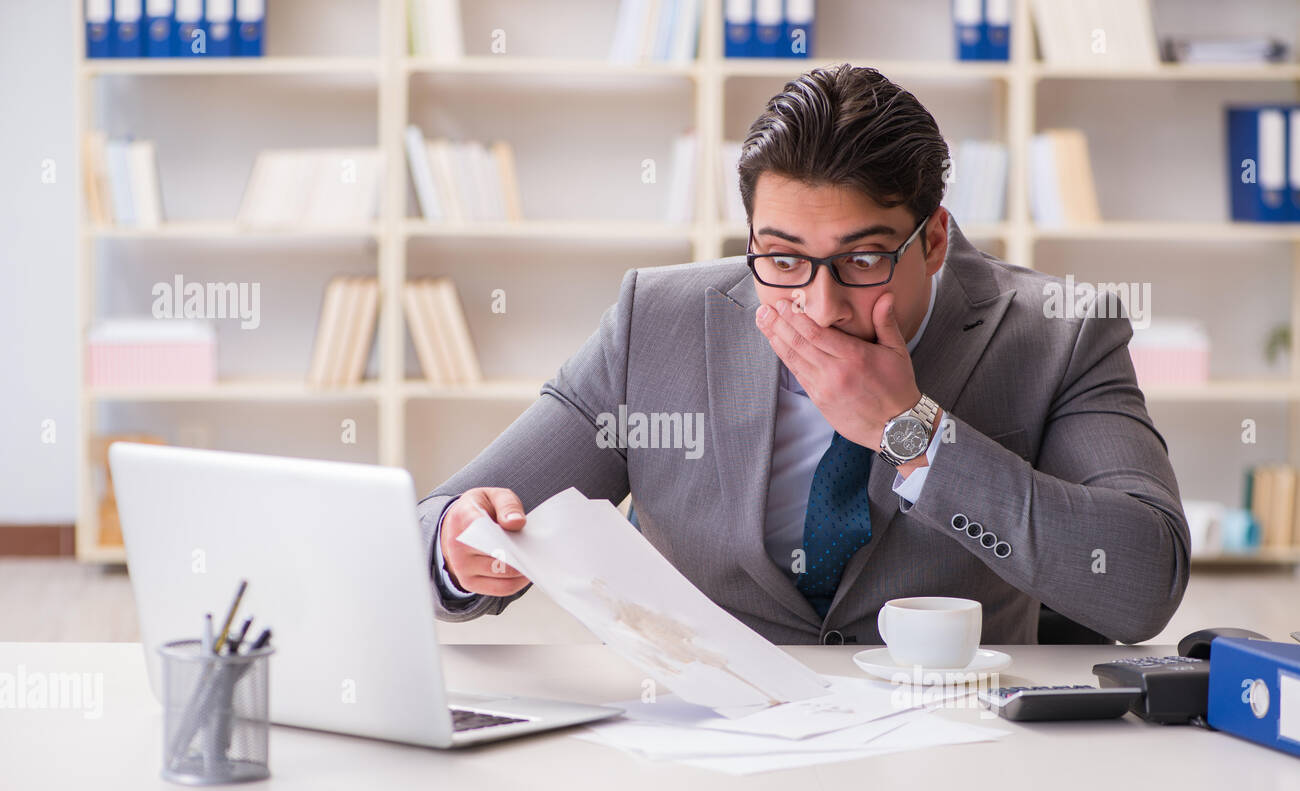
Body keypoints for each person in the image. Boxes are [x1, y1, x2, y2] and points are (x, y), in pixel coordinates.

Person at [416, 63, 1190, 646]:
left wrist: (911, 431)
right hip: (706, 754)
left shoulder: (1059, 332)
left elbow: (1143, 582)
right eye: (783, 259)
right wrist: (460, 546)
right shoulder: (657, 323)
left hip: (955, 754)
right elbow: (427, 527)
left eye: (862, 260)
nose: (820, 307)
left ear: (936, 238)